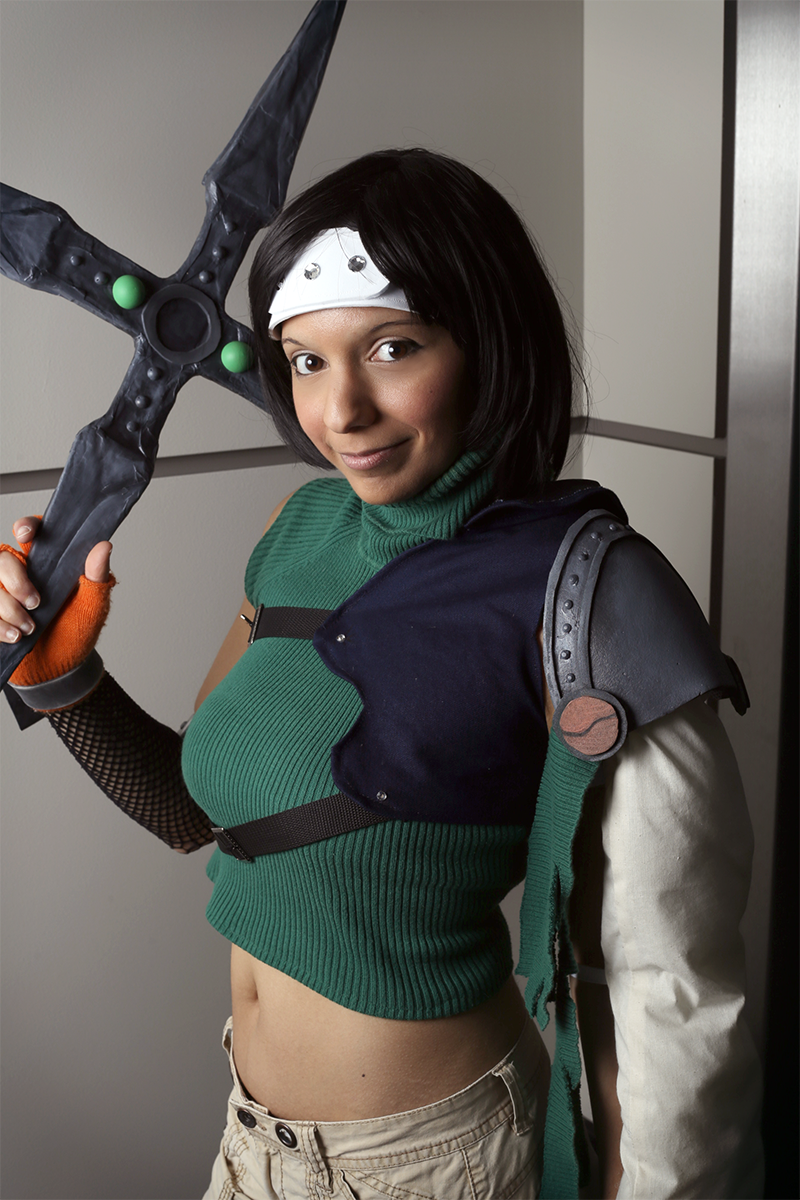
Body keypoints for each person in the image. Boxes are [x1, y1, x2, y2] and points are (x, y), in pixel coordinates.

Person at [0, 148, 762, 1199]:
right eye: (305, 360)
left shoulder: (591, 593)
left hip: (439, 1161)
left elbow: (671, 988)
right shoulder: (302, 523)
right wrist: (63, 679)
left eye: (392, 348)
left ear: (488, 338)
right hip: (250, 1142)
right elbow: (195, 810)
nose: (341, 410)